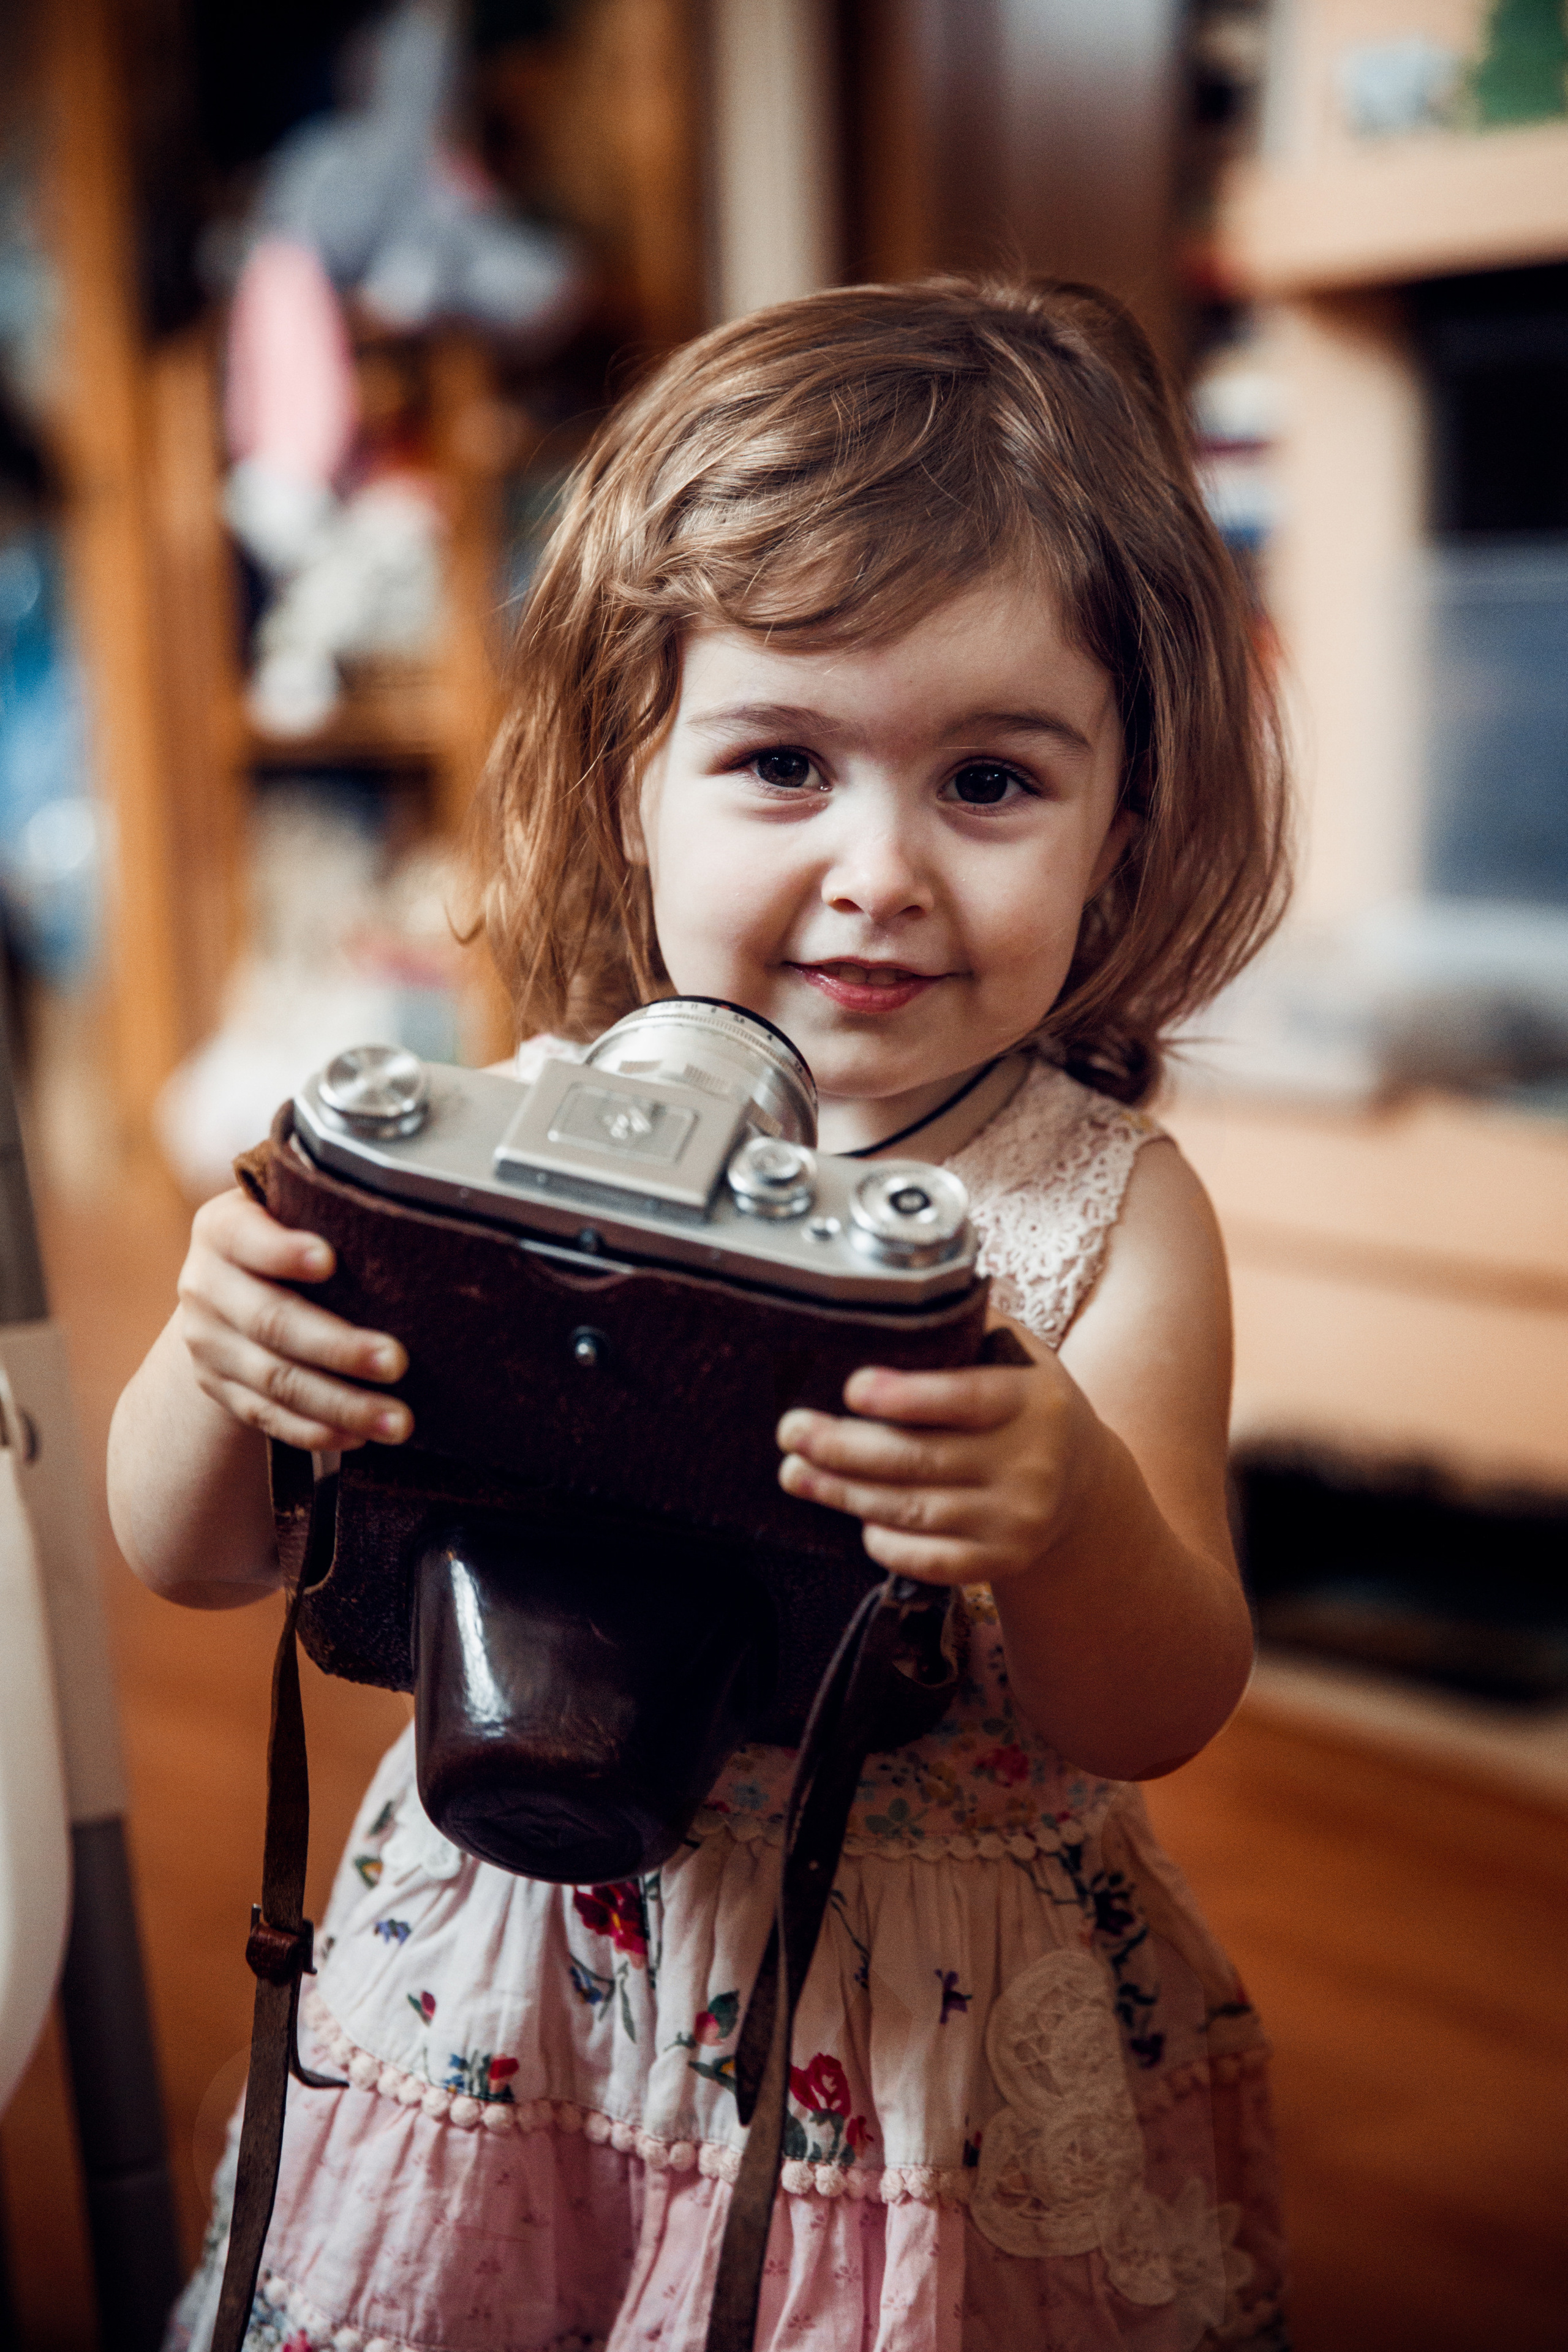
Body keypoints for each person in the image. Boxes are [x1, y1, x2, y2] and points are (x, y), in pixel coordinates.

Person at [111, 277, 1292, 2352]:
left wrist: (1069, 1501)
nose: (877, 871)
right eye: (779, 761)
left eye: (991, 783)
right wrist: (227, 1363)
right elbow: (191, 1556)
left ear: (1125, 826)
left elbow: (1157, 1703)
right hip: (499, 1982)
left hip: (907, 2043)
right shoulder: (521, 1142)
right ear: (627, 780)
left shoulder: (1106, 1214)